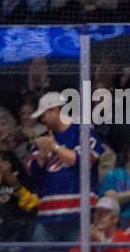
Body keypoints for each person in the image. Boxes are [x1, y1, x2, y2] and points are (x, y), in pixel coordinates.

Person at [25, 92, 104, 243]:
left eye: (44, 115)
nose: (42, 120)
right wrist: (42, 154)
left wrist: (54, 147)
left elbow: (85, 161)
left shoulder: (83, 132)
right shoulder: (42, 139)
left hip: (78, 215)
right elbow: (31, 171)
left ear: (54, 110)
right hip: (47, 216)